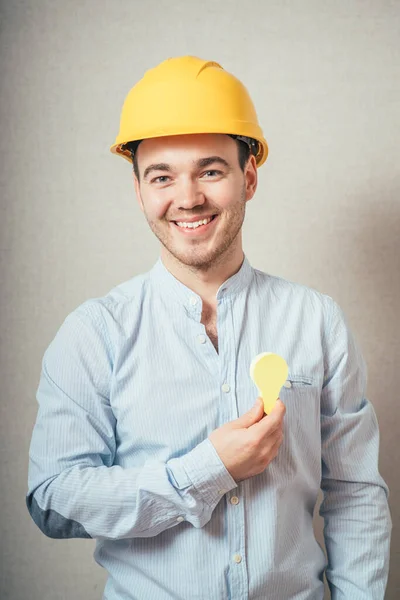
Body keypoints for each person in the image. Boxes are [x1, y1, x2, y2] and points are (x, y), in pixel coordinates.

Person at [26, 56, 392, 599]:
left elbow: (356, 493)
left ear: (248, 177)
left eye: (211, 170)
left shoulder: (316, 321)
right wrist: (207, 469)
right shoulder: (92, 335)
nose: (188, 197)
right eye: (162, 177)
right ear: (139, 192)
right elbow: (53, 500)